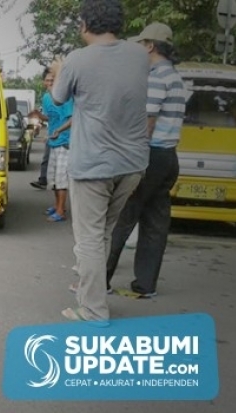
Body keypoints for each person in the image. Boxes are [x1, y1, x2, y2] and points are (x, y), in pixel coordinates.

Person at [52, 0, 149, 324]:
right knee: (104, 232)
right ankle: (89, 291)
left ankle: (93, 310)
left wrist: (60, 68)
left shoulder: (78, 60)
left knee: (90, 238)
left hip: (94, 164)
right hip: (133, 163)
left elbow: (57, 97)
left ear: (84, 24)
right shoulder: (139, 55)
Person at [105, 22, 186, 298]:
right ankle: (146, 284)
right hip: (168, 157)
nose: (138, 48)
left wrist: (130, 157)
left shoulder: (154, 77)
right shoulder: (175, 76)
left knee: (123, 215)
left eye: (141, 44)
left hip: (149, 155)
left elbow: (147, 123)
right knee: (155, 221)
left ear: (150, 46)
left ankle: (100, 279)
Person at [41, 67, 73, 223]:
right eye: (47, 81)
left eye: (53, 81)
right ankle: (57, 205)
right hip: (53, 141)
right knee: (52, 178)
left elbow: (72, 119)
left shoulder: (66, 98)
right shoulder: (46, 98)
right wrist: (38, 116)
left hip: (64, 142)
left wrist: (59, 131)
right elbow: (49, 118)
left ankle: (61, 211)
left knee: (61, 179)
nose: (49, 83)